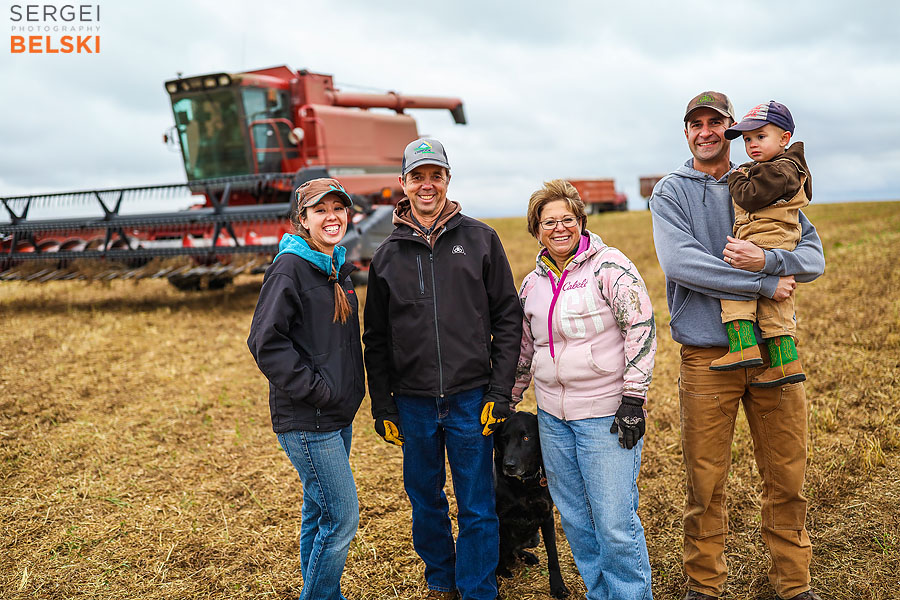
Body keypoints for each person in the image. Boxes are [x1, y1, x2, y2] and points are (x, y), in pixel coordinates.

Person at [649, 91, 826, 600]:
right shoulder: (671, 192)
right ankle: (705, 587)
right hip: (707, 356)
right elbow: (682, 263)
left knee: (787, 473)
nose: (705, 131)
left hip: (774, 352)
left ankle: (793, 585)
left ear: (730, 130)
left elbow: (812, 257)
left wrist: (770, 263)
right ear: (686, 132)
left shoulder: (766, 179)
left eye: (715, 123)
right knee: (705, 484)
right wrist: (763, 284)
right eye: (694, 123)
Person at [362, 137, 522, 600]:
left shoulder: (480, 239)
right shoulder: (387, 255)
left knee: (476, 503)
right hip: (412, 402)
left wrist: (499, 392)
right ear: (403, 183)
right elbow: (375, 337)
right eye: (418, 176)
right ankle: (441, 581)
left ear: (448, 179)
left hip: (472, 397)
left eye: (436, 175)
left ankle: (477, 588)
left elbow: (507, 319)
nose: (427, 185)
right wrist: (383, 404)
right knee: (425, 501)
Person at [511, 179, 657, 600]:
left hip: (605, 417)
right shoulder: (531, 285)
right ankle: (600, 593)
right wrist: (508, 397)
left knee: (613, 521)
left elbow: (641, 331)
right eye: (548, 222)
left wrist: (633, 399)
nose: (559, 228)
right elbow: (526, 350)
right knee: (575, 518)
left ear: (581, 221)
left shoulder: (610, 268)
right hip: (554, 420)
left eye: (567, 219)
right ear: (536, 229)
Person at [247, 178, 364, 600]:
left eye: (338, 208)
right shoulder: (290, 268)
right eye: (320, 210)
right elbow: (264, 342)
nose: (331, 217)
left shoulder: (332, 264)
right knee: (343, 517)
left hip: (335, 414)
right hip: (309, 417)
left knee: (318, 514)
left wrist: (341, 396)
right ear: (302, 218)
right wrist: (319, 390)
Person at [709, 101, 812, 389]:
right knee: (775, 302)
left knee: (734, 281)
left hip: (763, 237)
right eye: (747, 139)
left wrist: (737, 177)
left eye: (760, 137)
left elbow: (749, 196)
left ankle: (742, 346)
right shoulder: (787, 168)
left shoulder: (778, 170)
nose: (752, 145)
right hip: (779, 239)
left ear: (785, 138)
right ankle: (784, 362)